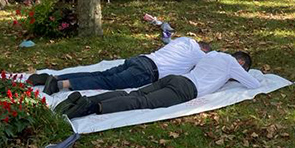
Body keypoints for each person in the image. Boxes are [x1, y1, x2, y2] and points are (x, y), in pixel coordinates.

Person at [55, 51, 260, 119]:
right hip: (185, 89)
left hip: (174, 78)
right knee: (140, 102)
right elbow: (253, 84)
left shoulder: (212, 54)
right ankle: (90, 107)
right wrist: (239, 75)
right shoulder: (232, 63)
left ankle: (86, 99)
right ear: (241, 62)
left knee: (133, 93)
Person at [29, 37, 211, 94]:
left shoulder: (184, 40)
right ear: (204, 49)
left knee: (101, 73)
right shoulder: (199, 55)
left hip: (141, 59)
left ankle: (56, 77)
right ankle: (61, 84)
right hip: (148, 72)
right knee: (106, 82)